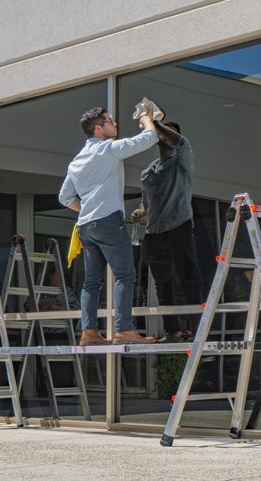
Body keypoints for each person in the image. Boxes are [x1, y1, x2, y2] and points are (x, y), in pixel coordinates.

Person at [59, 106, 158, 346]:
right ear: (98, 128)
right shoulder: (109, 149)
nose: (115, 125)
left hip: (86, 226)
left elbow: (64, 197)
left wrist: (88, 209)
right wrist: (147, 118)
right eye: (110, 121)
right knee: (125, 275)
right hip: (108, 222)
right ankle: (123, 329)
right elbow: (150, 137)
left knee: (92, 281)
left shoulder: (77, 161)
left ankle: (89, 333)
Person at [131, 122, 202, 343]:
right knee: (162, 284)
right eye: (159, 133)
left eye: (166, 133)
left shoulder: (182, 161)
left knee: (186, 279)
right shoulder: (147, 172)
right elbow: (146, 205)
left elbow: (182, 143)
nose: (162, 136)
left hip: (178, 227)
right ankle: (172, 332)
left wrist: (156, 122)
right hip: (154, 232)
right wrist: (139, 213)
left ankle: (196, 329)